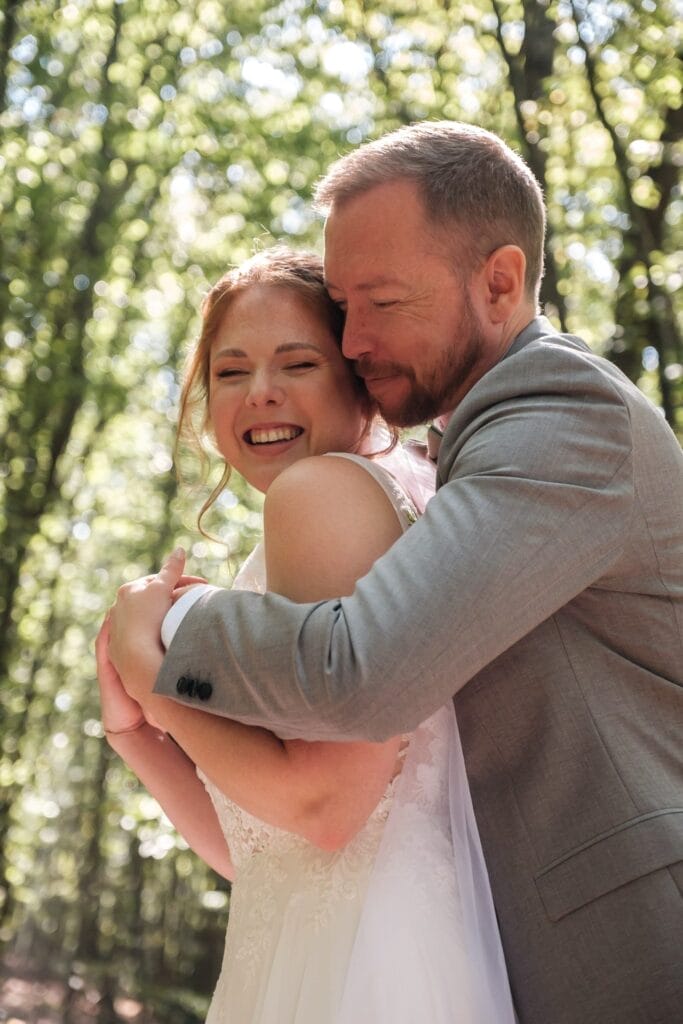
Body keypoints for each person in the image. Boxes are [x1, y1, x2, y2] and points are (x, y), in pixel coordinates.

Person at [109, 123, 683, 1024]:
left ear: (498, 280)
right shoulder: (454, 450)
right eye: (341, 304)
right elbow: (278, 846)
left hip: (622, 935)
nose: (355, 338)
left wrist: (160, 639)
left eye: (377, 301)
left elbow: (360, 679)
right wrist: (137, 731)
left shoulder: (560, 412)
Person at [99, 247, 516, 1023]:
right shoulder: (408, 484)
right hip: (333, 942)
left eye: (296, 364)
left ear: (358, 380)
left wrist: (153, 676)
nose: (259, 394)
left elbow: (324, 809)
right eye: (230, 372)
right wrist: (136, 737)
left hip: (367, 965)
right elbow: (263, 852)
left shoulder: (322, 493)